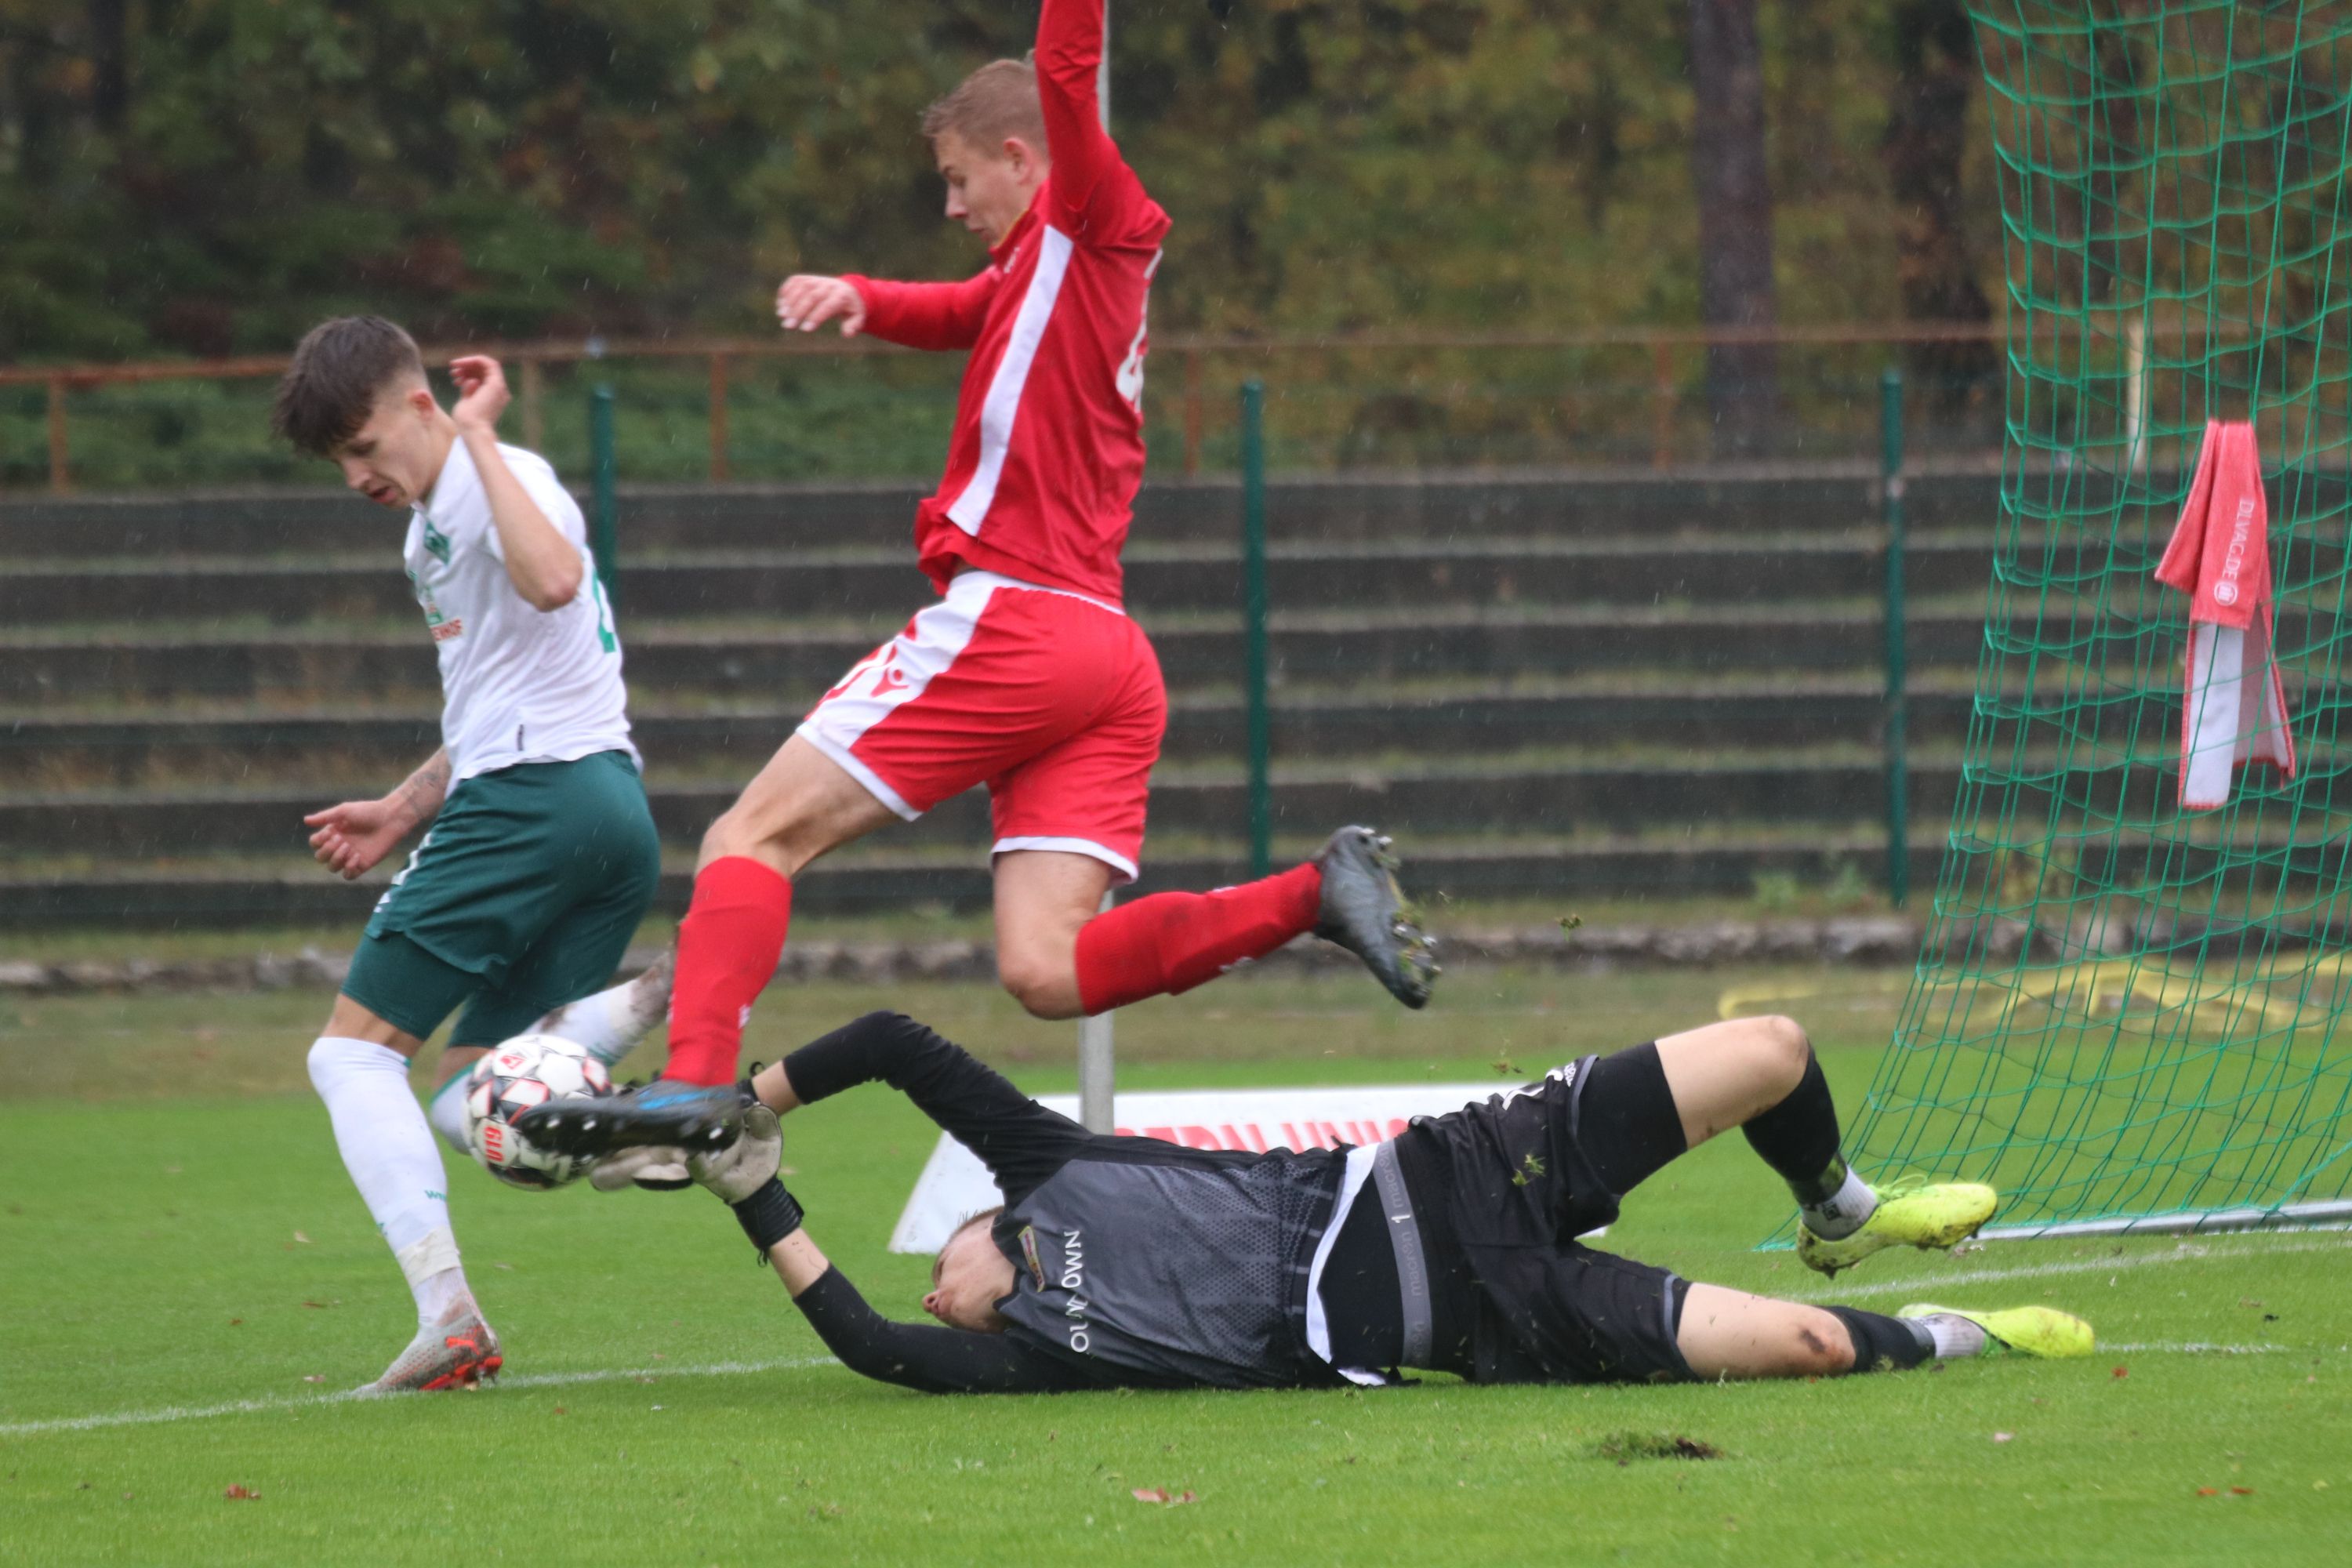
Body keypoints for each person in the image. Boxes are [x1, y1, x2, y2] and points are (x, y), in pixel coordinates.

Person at [569, 0, 1439, 1159]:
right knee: (1045, 968)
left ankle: (689, 1090)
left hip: (1020, 620)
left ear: (1023, 159)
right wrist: (864, 298)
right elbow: (964, 316)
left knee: (749, 837)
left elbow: (1069, 66)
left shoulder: (1091, 217)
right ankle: (1315, 894)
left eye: (957, 175)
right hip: (1103, 660)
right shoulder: (1040, 267)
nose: (949, 202)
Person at [525, 1010, 2092, 1394]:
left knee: (1774, 1046)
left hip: (1454, 1168)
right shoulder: (1043, 1356)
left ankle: (1836, 1197)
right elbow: (869, 1346)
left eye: (937, 1267)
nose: (933, 1290)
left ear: (974, 1232)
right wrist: (755, 1194)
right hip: (1478, 1315)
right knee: (1816, 1350)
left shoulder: (1042, 1165)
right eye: (939, 1300)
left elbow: (888, 1042)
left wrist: (748, 1105)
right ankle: (1974, 1340)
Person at [270, 318, 673, 1392]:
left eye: (365, 445)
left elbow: (549, 578)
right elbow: (500, 687)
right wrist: (404, 807)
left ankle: (450, 1317)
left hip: (533, 808)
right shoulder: (428, 532)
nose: (358, 474)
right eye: (340, 462)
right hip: (599, 813)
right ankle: (667, 1044)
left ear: (418, 407)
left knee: (349, 1058)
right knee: (471, 1101)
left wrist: (484, 437)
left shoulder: (508, 474)